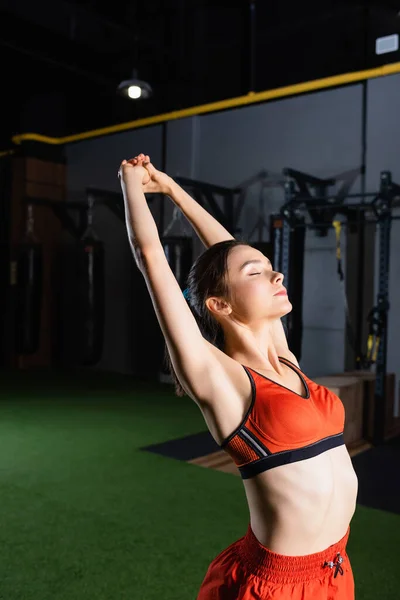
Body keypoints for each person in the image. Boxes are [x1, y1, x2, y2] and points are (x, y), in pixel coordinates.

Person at [118, 154, 358, 599]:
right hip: (271, 587)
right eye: (258, 274)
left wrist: (173, 191)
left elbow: (228, 254)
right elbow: (152, 259)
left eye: (271, 267)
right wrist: (130, 183)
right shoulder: (219, 377)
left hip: (334, 573)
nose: (275, 274)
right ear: (220, 306)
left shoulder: (284, 358)